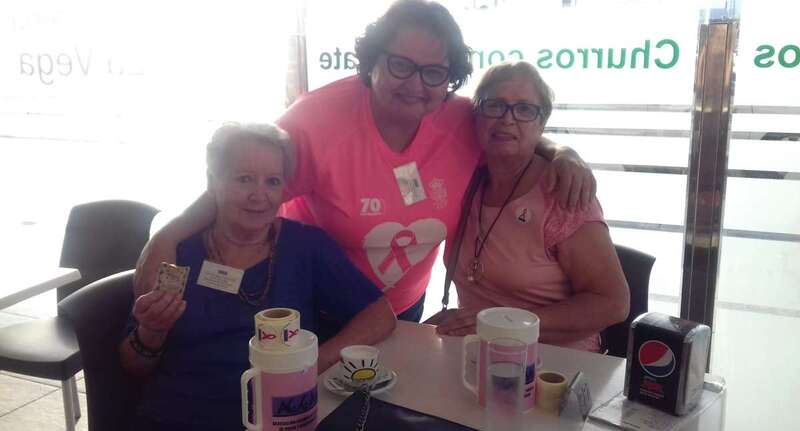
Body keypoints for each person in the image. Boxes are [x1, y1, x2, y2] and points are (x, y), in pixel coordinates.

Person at [134, 0, 596, 323]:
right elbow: (241, 187)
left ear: (449, 80)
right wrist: (170, 234)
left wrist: (562, 152)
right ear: (371, 62)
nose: (416, 84)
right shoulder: (314, 122)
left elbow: (511, 131)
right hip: (315, 304)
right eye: (401, 65)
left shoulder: (456, 119)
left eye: (434, 72)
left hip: (405, 306)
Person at [120, 123, 396, 431]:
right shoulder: (179, 254)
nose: (259, 195)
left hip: (284, 425)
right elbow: (133, 365)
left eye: (272, 181)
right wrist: (152, 332)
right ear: (212, 182)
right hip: (181, 424)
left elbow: (381, 315)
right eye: (244, 179)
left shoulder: (305, 246)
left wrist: (311, 363)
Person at [433, 61, 629, 352]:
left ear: (541, 122)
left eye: (525, 109)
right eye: (495, 106)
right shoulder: (466, 179)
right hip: (477, 353)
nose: (507, 119)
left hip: (557, 362)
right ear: (477, 115)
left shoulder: (562, 190)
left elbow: (612, 303)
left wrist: (505, 323)